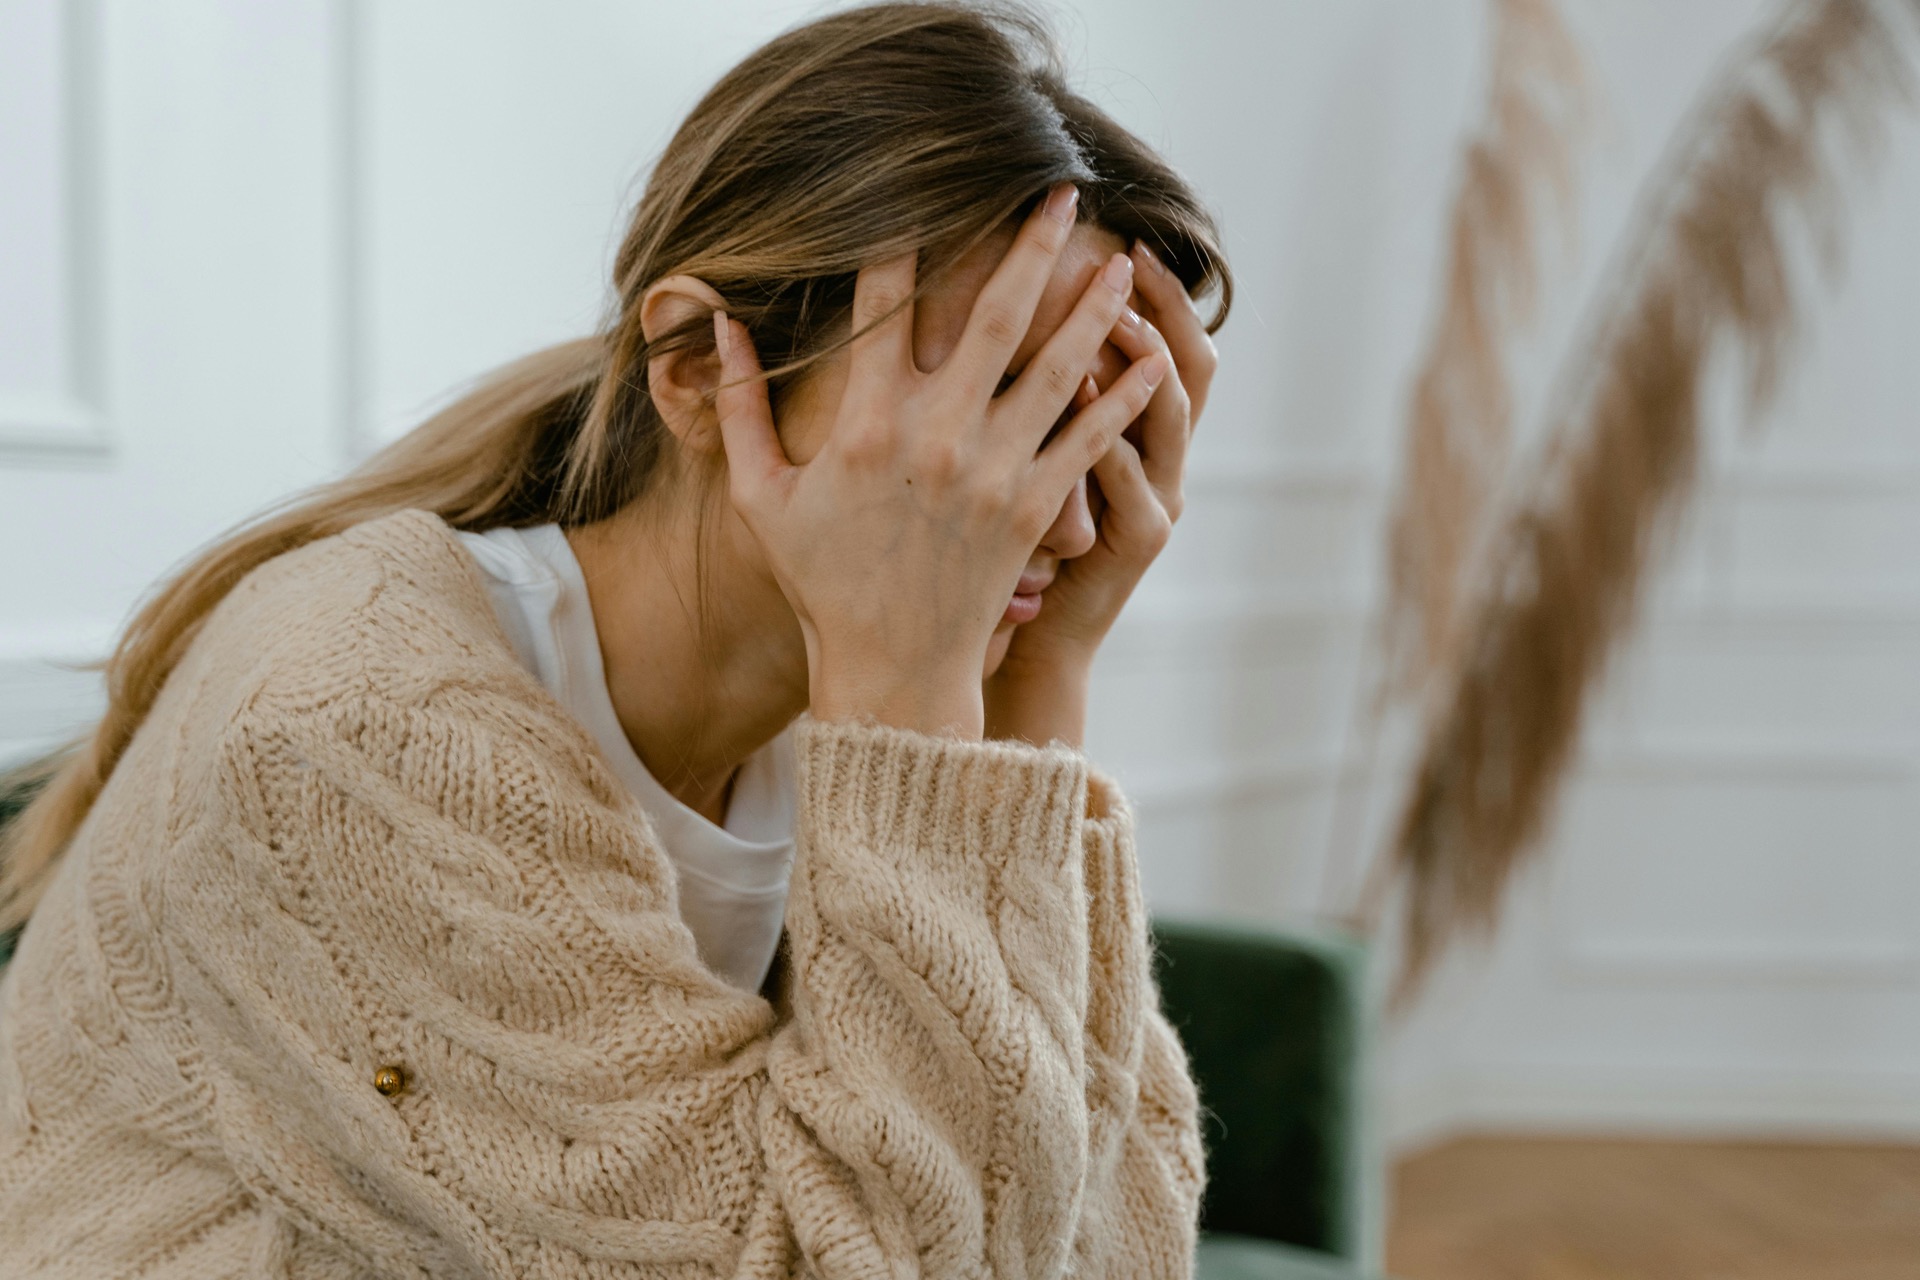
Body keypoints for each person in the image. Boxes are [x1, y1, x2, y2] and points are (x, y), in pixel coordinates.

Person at [0, 2, 1231, 1275]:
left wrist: (1040, 687)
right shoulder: (356, 730)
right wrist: (935, 710)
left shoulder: (866, 696)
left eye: (1109, 423)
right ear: (699, 365)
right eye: (990, 402)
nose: (1054, 505)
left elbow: (1101, 1248)